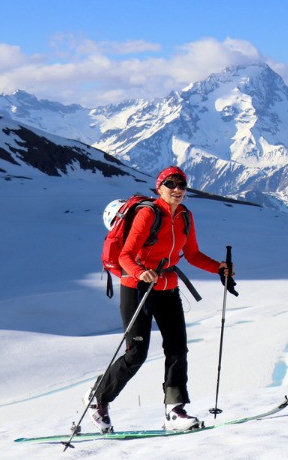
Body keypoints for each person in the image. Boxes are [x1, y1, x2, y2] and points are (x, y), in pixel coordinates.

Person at [91, 166, 233, 432]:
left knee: (178, 348)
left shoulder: (185, 216)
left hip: (167, 286)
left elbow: (192, 255)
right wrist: (140, 272)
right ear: (160, 187)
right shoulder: (148, 213)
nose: (178, 190)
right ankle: (99, 399)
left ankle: (174, 410)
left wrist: (219, 268)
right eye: (171, 184)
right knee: (136, 354)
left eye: (182, 185)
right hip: (137, 287)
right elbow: (125, 255)